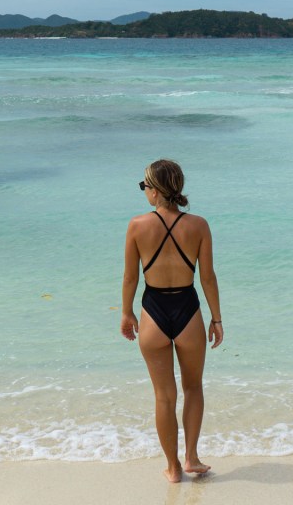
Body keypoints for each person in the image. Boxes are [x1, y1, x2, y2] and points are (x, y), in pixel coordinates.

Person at [120, 159, 223, 483]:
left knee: (164, 396)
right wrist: (216, 319)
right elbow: (207, 277)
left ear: (155, 190)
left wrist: (126, 312)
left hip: (153, 312)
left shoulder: (137, 225)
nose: (144, 191)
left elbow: (129, 278)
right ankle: (192, 457)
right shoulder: (199, 225)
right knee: (193, 388)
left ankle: (173, 467)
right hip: (188, 310)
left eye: (144, 186)